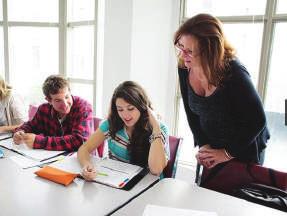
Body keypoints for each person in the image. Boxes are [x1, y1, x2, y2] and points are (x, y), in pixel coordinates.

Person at [173, 14, 270, 170]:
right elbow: (190, 111)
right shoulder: (184, 66)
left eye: (190, 51)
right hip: (212, 146)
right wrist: (204, 144)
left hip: (242, 150)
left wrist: (225, 154)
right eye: (181, 47)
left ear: (209, 51)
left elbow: (257, 120)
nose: (183, 55)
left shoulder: (234, 72)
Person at [78, 81, 170, 180]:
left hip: (147, 186)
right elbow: (84, 148)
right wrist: (86, 165)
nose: (125, 115)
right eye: (120, 110)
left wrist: (155, 126)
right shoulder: (111, 124)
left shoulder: (160, 129)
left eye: (130, 109)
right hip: (117, 182)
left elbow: (156, 170)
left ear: (143, 107)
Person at [13, 75, 93, 151]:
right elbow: (31, 125)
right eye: (58, 100)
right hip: (53, 158)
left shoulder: (83, 107)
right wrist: (20, 132)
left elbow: (79, 141)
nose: (65, 104)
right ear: (48, 100)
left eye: (66, 97)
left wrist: (40, 142)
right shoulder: (44, 109)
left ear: (70, 92)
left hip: (81, 159)